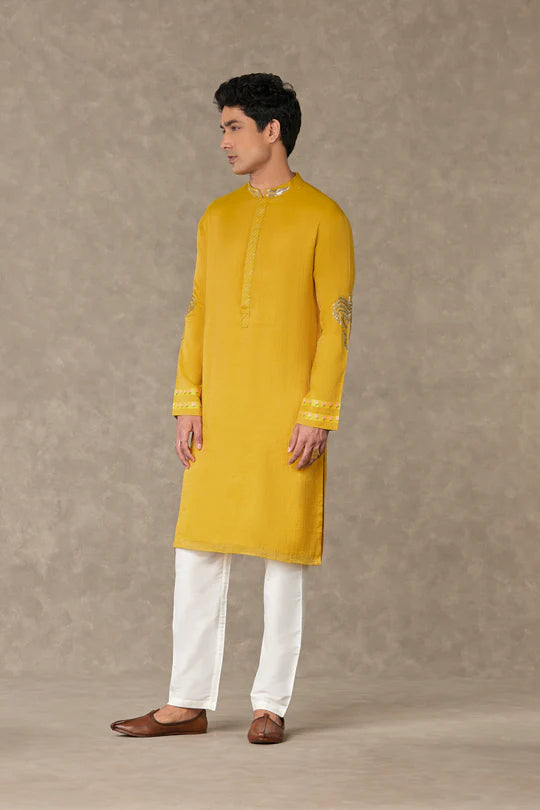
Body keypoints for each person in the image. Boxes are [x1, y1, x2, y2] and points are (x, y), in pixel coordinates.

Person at [110, 72, 355, 744]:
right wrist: (187, 400)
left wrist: (317, 412)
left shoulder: (324, 217)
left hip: (287, 414)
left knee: (283, 557)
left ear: (272, 130)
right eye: (222, 128)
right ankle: (185, 703)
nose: (223, 140)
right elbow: (198, 312)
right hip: (218, 413)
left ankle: (270, 705)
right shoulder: (216, 217)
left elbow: (336, 325)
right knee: (196, 552)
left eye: (234, 126)